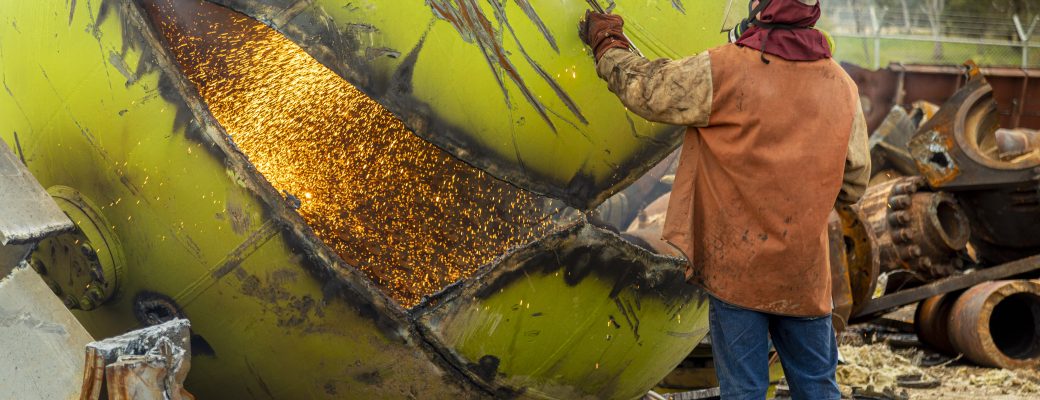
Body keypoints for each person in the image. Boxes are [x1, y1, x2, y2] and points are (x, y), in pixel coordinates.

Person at [579, 1, 870, 399]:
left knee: (744, 391)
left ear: (763, 9)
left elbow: (649, 89)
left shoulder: (727, 69)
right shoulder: (842, 87)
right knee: (818, 387)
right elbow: (854, 185)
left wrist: (608, 44)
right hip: (804, 278)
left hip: (738, 273)